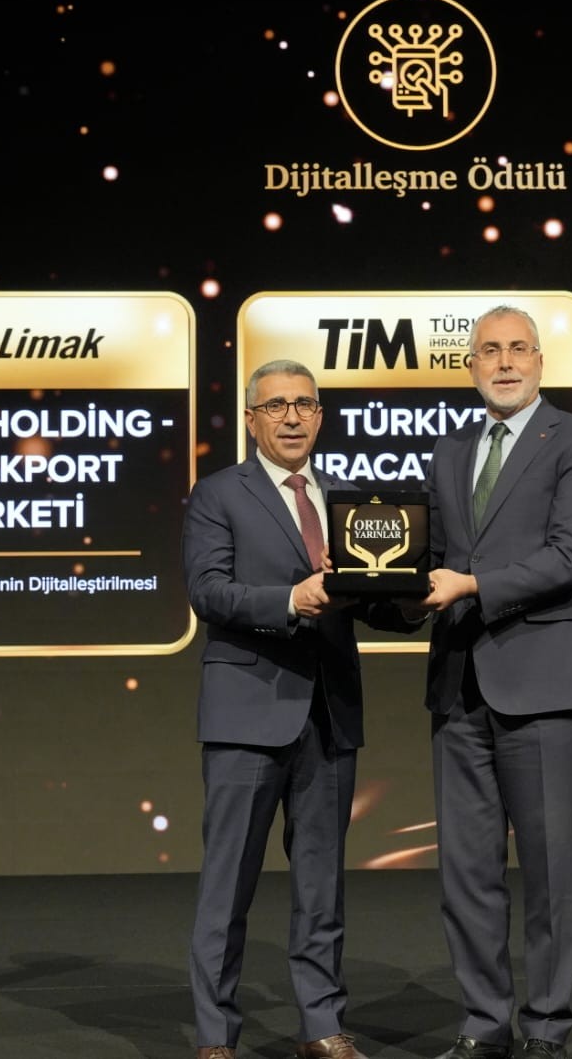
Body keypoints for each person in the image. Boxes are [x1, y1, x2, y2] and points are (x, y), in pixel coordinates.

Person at [183, 359, 418, 1059]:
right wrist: (290, 599)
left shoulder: (348, 501)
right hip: (248, 712)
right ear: (251, 419)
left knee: (322, 885)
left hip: (329, 714)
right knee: (229, 883)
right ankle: (216, 1036)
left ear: (320, 416)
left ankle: (322, 1026)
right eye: (276, 406)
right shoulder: (219, 494)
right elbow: (209, 591)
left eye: (305, 405)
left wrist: (414, 596)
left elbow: (370, 598)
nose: (291, 417)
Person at [417, 306, 572, 1059]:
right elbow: (432, 561)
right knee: (466, 873)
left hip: (546, 686)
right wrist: (374, 585)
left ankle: (545, 1028)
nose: (504, 362)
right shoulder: (450, 450)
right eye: (489, 351)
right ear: (470, 364)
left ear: (540, 360)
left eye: (518, 349)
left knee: (548, 871)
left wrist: (472, 585)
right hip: (459, 686)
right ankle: (482, 1025)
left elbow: (571, 556)